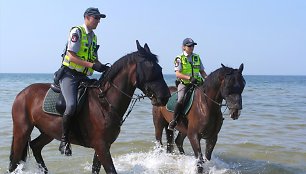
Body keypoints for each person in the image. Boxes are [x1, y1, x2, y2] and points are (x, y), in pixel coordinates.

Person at [57, 7, 109, 156]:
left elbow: (93, 58)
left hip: (83, 76)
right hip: (69, 75)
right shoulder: (77, 32)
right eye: (96, 18)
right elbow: (72, 56)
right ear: (87, 17)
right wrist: (93, 65)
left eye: (99, 19)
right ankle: (64, 140)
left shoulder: (94, 37)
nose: (98, 21)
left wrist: (101, 66)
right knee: (72, 105)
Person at [168, 38, 208, 131]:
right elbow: (177, 74)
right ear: (183, 47)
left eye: (193, 45)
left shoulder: (197, 57)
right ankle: (174, 120)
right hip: (185, 84)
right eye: (189, 46)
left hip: (197, 83)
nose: (191, 47)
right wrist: (189, 78)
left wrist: (208, 79)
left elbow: (202, 72)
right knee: (181, 99)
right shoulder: (179, 58)